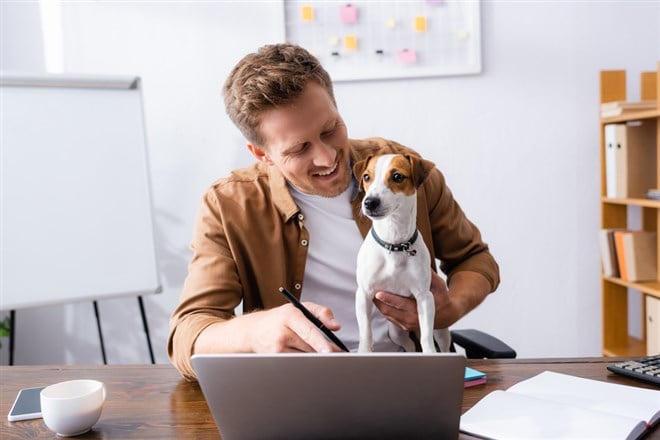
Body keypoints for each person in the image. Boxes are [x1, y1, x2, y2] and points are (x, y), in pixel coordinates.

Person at [168, 43, 499, 381]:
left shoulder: (401, 170)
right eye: (299, 148)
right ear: (261, 153)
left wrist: (450, 308)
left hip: (411, 373)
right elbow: (187, 334)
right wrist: (256, 331)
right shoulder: (228, 205)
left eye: (330, 129)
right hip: (300, 384)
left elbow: (475, 259)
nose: (328, 159)